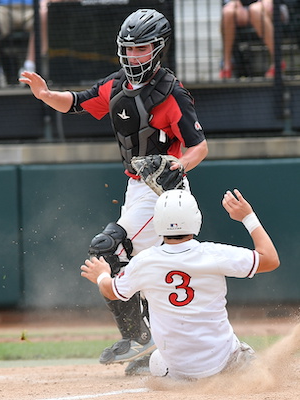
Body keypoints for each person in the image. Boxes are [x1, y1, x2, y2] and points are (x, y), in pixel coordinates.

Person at [20, 9, 208, 375]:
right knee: (144, 267)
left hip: (164, 193)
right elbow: (76, 101)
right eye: (129, 48)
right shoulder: (117, 86)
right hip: (136, 187)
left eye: (142, 48)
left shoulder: (172, 93)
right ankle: (153, 350)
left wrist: (179, 165)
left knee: (108, 248)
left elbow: (199, 147)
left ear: (158, 48)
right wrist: (44, 94)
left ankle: (139, 338)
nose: (134, 55)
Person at [80, 188, 280, 380]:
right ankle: (239, 368)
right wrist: (248, 217)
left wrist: (102, 275)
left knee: (157, 361)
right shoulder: (213, 253)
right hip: (222, 360)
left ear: (157, 221)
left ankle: (183, 381)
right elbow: (271, 259)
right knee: (252, 366)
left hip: (178, 368)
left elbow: (111, 291)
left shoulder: (144, 261)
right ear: (196, 219)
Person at [220, 0, 289, 79]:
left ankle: (278, 61)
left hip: (274, 6)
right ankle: (226, 65)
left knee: (255, 10)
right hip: (246, 9)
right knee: (228, 12)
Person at [0, 0, 48, 88]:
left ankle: (30, 66)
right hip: (4, 9)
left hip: (31, 9)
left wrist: (43, 3)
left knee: (43, 13)